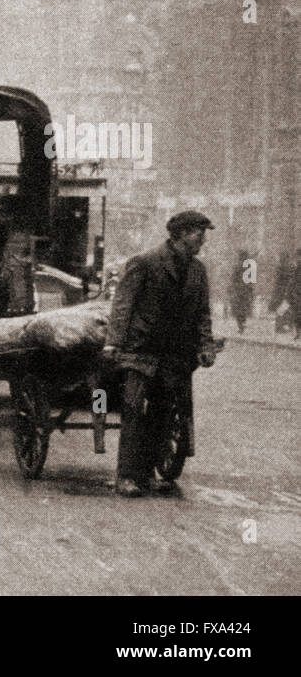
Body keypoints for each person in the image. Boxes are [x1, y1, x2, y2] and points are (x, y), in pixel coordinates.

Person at [103, 210, 217, 498]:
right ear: (179, 234)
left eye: (204, 234)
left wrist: (205, 345)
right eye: (197, 233)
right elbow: (123, 305)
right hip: (140, 351)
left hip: (174, 355)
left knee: (162, 414)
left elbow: (203, 313)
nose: (202, 239)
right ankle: (126, 477)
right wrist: (113, 342)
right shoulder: (145, 262)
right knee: (132, 410)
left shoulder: (198, 271)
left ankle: (148, 471)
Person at [228, 249, 254, 334]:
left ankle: (240, 326)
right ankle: (242, 324)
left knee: (238, 309)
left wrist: (231, 288)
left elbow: (233, 279)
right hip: (245, 291)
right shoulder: (249, 267)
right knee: (243, 308)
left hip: (238, 291)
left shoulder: (237, 266)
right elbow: (251, 281)